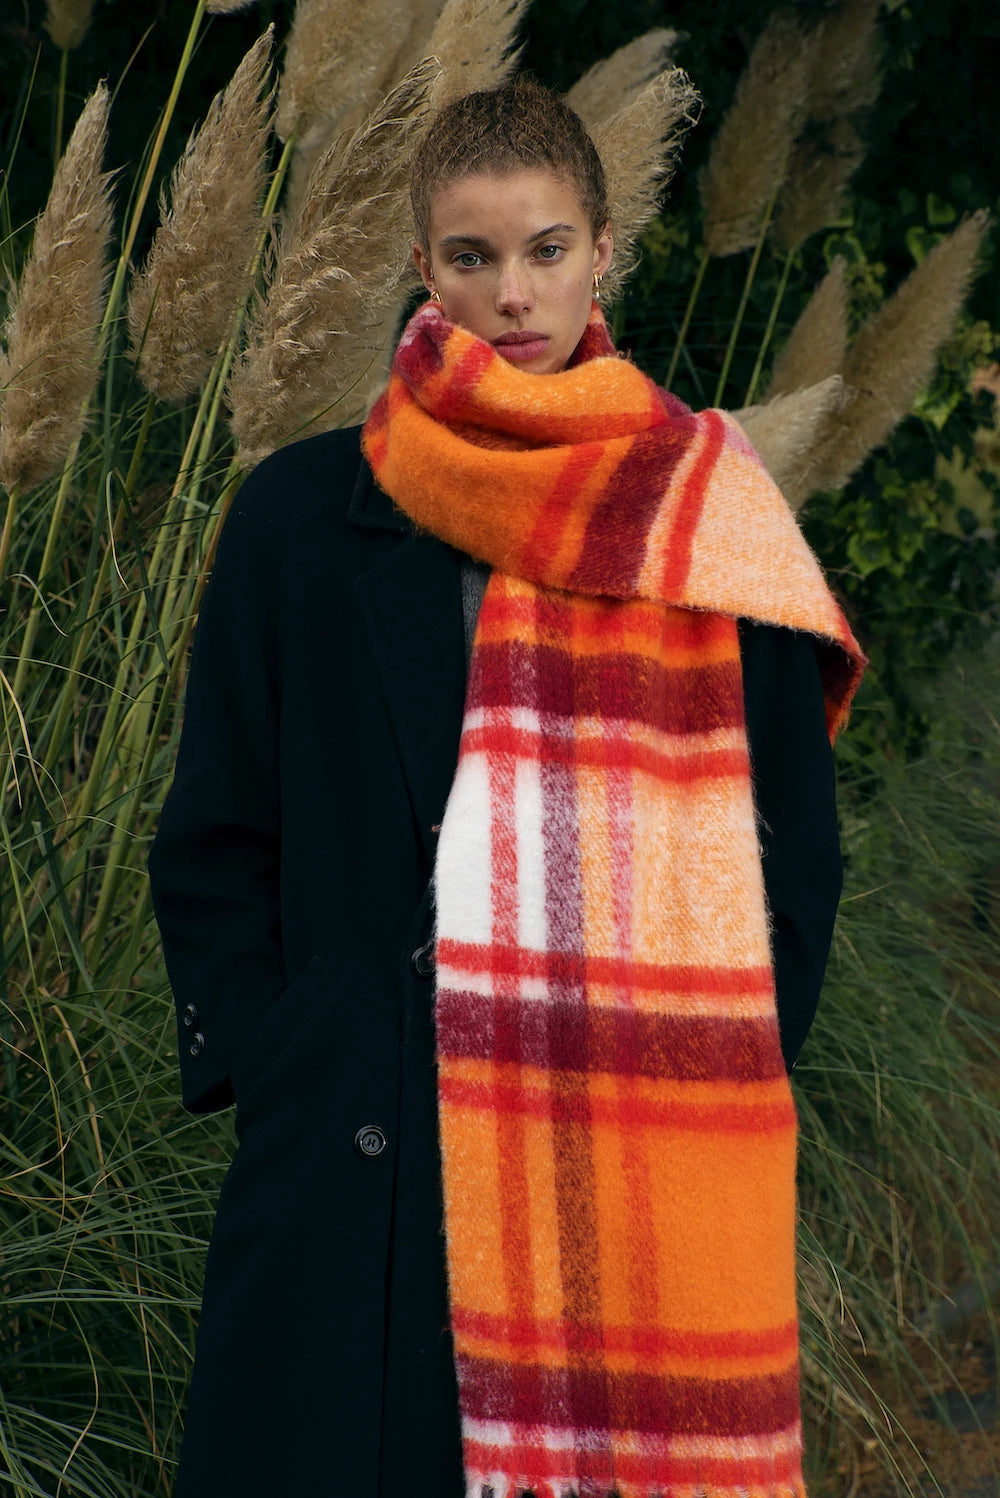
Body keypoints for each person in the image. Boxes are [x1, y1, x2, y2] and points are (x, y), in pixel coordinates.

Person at [148, 76, 864, 1498]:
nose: (512, 293)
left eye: (544, 249)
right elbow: (218, 831)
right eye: (472, 256)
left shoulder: (707, 517)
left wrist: (706, 1075)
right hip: (359, 1136)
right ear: (423, 269)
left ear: (604, 249)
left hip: (631, 1147)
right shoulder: (299, 513)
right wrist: (290, 1050)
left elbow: (797, 847)